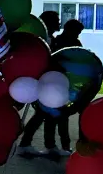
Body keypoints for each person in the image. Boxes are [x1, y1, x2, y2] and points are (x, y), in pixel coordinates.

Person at [19, 17, 82, 157]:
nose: (58, 24)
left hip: (53, 82)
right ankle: (52, 145)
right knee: (49, 116)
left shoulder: (55, 41)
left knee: (48, 116)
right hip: (55, 83)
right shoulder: (59, 42)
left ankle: (50, 145)